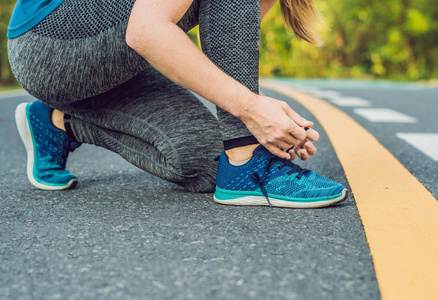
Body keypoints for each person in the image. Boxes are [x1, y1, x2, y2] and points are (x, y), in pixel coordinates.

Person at [8, 0, 347, 208]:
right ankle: (246, 162)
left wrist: (267, 128)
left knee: (206, 162)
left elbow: (229, 45)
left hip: (115, 58)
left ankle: (56, 122)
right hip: (50, 45)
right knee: (237, 164)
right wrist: (253, 113)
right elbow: (146, 30)